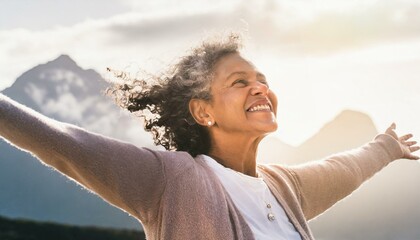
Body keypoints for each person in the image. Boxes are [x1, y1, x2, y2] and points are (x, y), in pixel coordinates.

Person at [0, 34, 418, 240]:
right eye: (240, 82)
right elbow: (61, 143)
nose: (260, 88)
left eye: (262, 79)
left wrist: (385, 148)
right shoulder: (169, 181)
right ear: (203, 111)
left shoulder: (286, 188)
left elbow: (341, 169)